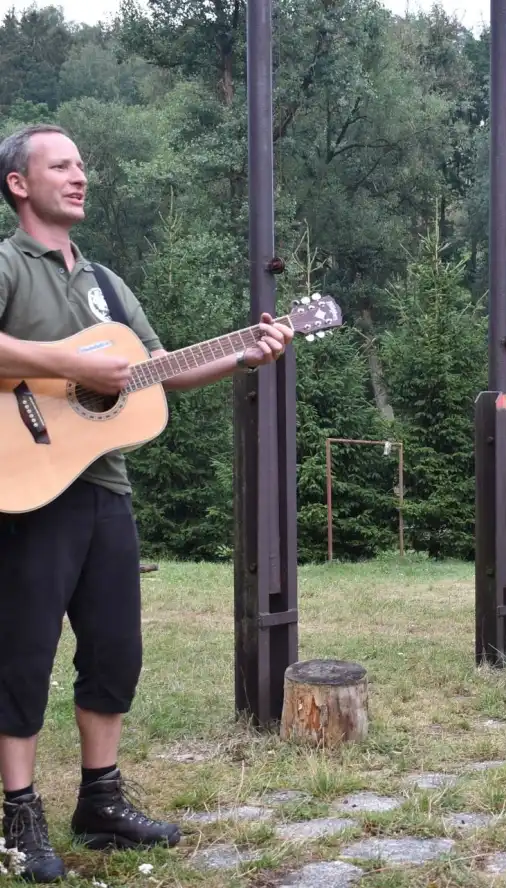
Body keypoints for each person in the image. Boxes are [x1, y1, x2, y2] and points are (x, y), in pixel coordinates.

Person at [0, 123, 294, 882]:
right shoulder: (6, 264)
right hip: (25, 484)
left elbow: (154, 369)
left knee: (115, 651)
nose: (79, 176)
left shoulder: (104, 281)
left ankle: (100, 803)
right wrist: (64, 360)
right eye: (60, 165)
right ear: (19, 185)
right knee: (24, 655)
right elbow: (56, 366)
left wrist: (242, 353)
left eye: (82, 164)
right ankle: (18, 814)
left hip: (103, 487)